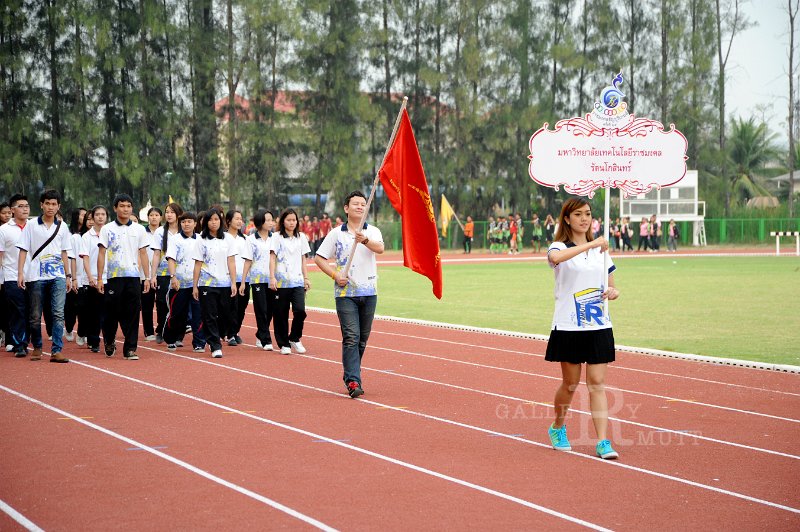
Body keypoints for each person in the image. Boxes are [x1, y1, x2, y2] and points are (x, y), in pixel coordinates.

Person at [545, 197, 620, 460]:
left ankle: (602, 441)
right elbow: (557, 258)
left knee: (597, 383)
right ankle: (557, 427)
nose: (585, 219)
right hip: (568, 325)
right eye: (578, 215)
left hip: (598, 326)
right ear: (567, 218)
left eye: (588, 214)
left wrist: (612, 292)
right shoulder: (558, 246)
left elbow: (612, 285)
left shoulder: (602, 251)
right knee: (570, 383)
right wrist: (591, 243)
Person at [314, 191, 384, 398]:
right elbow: (319, 258)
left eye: (363, 204)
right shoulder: (337, 233)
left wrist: (365, 241)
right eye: (355, 204)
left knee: (362, 339)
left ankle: (351, 372)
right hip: (346, 294)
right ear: (346, 208)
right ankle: (353, 380)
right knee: (351, 337)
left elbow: (380, 248)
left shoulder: (372, 231)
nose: (360, 207)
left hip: (369, 292)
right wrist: (335, 275)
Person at [16, 189, 75, 363]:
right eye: (47, 203)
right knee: (35, 315)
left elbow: (65, 252)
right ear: (41, 205)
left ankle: (57, 350)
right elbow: (23, 250)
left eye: (54, 204)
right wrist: (21, 273)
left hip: (58, 275)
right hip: (36, 276)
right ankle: (38, 347)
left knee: (58, 313)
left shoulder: (62, 226)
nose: (50, 207)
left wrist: (68, 275)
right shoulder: (32, 225)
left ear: (59, 206)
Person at [97, 194, 152, 360]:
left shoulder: (139, 229)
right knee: (111, 313)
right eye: (122, 206)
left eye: (128, 206)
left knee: (133, 313)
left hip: (133, 277)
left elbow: (143, 253)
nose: (125, 209)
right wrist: (100, 278)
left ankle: (130, 348)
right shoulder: (107, 229)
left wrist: (147, 277)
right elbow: (101, 253)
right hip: (113, 278)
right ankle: (108, 339)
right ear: (115, 208)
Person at [192, 208, 236, 359]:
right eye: (211, 220)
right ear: (205, 222)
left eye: (216, 219)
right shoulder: (200, 240)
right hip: (207, 283)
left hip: (224, 282)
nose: (214, 222)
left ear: (221, 221)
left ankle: (218, 336)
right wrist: (195, 285)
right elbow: (198, 263)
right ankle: (215, 344)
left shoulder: (228, 239)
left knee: (225, 314)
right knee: (209, 314)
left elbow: (231, 261)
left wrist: (234, 283)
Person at [269, 208, 311, 355]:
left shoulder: (302, 237)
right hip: (281, 282)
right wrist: (272, 277)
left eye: (294, 220)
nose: (292, 223)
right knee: (281, 314)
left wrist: (306, 278)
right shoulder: (276, 237)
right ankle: (284, 343)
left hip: (297, 281)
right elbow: (272, 258)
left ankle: (294, 337)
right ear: (283, 221)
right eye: (289, 220)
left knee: (300, 311)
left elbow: (303, 259)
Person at [164, 211, 205, 352]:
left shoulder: (201, 239)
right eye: (183, 222)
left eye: (189, 221)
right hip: (179, 284)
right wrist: (173, 277)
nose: (186, 224)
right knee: (177, 314)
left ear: (195, 223)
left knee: (198, 315)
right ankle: (171, 338)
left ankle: (199, 342)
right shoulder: (175, 239)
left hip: (197, 285)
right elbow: (171, 259)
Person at [0, 195, 30, 357]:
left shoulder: (33, 227)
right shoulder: (4, 230)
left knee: (32, 312)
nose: (25, 209)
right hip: (11, 276)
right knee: (18, 310)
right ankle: (19, 344)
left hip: (33, 277)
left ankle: (27, 340)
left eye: (27, 206)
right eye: (21, 206)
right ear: (12, 210)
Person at [151, 203, 183, 343]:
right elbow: (157, 254)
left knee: (179, 304)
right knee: (162, 303)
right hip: (163, 273)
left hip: (182, 274)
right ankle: (161, 330)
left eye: (172, 212)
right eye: (167, 212)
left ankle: (178, 333)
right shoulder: (160, 232)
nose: (169, 215)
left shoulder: (185, 230)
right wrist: (152, 276)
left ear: (178, 214)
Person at [245, 210, 277, 351]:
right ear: (260, 222)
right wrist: (242, 281)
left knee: (270, 310)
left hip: (272, 279)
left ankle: (260, 332)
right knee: (261, 309)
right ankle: (265, 339)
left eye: (272, 220)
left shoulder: (275, 238)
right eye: (268, 220)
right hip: (257, 280)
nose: (271, 223)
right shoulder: (250, 239)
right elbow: (248, 261)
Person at [81, 205, 108, 353]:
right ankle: (94, 341)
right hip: (92, 279)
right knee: (94, 313)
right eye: (97, 214)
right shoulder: (87, 236)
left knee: (108, 312)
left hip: (108, 278)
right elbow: (85, 258)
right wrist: (90, 276)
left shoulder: (110, 233)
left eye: (103, 214)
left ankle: (108, 340)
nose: (100, 217)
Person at [225, 209, 253, 346]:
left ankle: (235, 331)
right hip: (228, 279)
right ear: (229, 221)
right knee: (231, 307)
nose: (239, 221)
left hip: (244, 279)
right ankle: (230, 334)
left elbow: (249, 259)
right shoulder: (223, 237)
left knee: (242, 307)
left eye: (241, 219)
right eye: (236, 218)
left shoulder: (245, 239)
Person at [64, 207, 87, 344]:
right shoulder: (72, 236)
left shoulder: (91, 236)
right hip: (75, 276)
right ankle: (69, 327)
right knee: (71, 307)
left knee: (84, 308)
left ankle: (82, 332)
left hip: (88, 278)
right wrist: (72, 277)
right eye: (83, 215)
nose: (85, 218)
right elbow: (71, 258)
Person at [142, 207, 162, 340]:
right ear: (147, 217)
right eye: (151, 215)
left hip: (162, 273)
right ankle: (148, 331)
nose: (154, 217)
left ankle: (161, 329)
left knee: (161, 303)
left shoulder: (164, 232)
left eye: (156, 215)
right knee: (147, 303)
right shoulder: (142, 232)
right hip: (145, 273)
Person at [0, 201, 11, 348]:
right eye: (4, 213)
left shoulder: (10, 230)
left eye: (9, 212)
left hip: (8, 273)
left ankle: (8, 336)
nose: (7, 215)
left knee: (8, 305)